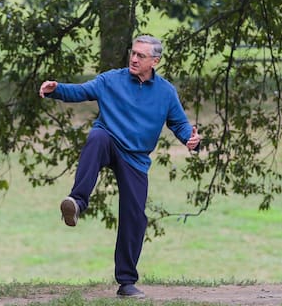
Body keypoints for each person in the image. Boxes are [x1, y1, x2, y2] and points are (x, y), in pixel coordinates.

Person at [39, 35, 200, 299]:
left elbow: (180, 124)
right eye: (133, 53)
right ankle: (77, 202)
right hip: (109, 140)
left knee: (135, 217)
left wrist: (190, 140)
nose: (134, 59)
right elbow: (81, 91)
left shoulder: (166, 92)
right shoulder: (111, 79)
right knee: (97, 137)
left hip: (135, 157)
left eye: (141, 56)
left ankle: (126, 282)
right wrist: (55, 89)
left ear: (155, 61)